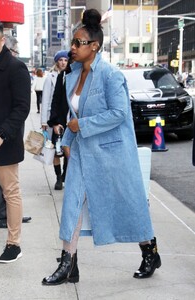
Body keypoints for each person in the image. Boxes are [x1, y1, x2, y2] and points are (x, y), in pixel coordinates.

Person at [42, 9, 161, 285]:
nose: (72, 48)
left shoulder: (110, 75)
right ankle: (68, 263)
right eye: (72, 42)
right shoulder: (71, 75)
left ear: (94, 46)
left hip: (112, 154)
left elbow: (119, 113)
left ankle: (149, 251)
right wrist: (68, 142)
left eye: (77, 43)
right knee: (71, 203)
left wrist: (81, 125)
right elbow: (72, 116)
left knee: (128, 205)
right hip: (84, 153)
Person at [0, 18, 31, 262]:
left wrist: (2, 134)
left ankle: (13, 244)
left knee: (10, 193)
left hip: (3, 142)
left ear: (2, 40)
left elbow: (22, 107)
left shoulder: (16, 68)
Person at [41, 50, 69, 190]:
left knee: (67, 150)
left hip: (67, 118)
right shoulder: (50, 77)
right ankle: (58, 178)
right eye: (60, 60)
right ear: (56, 62)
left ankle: (65, 174)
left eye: (65, 60)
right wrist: (44, 121)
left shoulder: (71, 76)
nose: (63, 62)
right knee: (55, 150)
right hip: (54, 118)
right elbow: (45, 100)